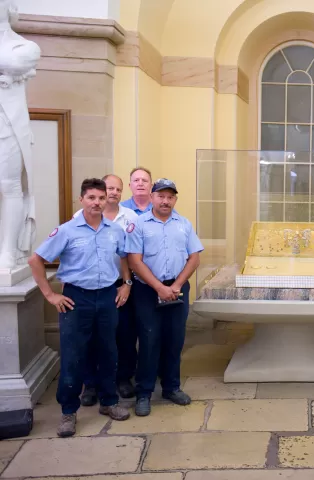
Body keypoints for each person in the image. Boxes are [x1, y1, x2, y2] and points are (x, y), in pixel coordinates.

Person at [28, 178, 131, 437]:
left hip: (107, 297)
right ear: (81, 200)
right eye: (91, 198)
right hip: (76, 299)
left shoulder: (114, 230)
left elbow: (123, 256)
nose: (97, 202)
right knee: (74, 356)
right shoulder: (67, 230)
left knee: (109, 351)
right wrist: (50, 295)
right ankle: (68, 412)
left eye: (101, 197)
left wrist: (127, 283)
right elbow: (36, 260)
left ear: (106, 199)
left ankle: (109, 403)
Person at [126, 178, 204, 416]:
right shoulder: (138, 224)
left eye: (170, 197)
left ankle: (171, 387)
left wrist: (177, 285)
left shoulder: (184, 224)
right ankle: (144, 393)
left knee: (175, 339)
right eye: (161, 196)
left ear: (175, 200)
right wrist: (159, 287)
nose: (165, 201)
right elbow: (134, 260)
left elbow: (194, 257)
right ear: (152, 198)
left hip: (178, 288)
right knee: (149, 340)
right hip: (148, 290)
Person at [75, 174, 138, 405]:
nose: (113, 193)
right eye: (108, 188)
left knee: (124, 335)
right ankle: (91, 385)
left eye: (117, 189)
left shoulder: (130, 218)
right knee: (91, 339)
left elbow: (128, 255)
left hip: (119, 286)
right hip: (89, 288)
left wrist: (127, 284)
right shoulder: (78, 219)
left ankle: (122, 379)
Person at [0, 0, 41, 269]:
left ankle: (8, 251)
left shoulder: (25, 46)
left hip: (8, 126)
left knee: (9, 186)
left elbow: (15, 63)